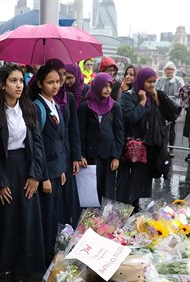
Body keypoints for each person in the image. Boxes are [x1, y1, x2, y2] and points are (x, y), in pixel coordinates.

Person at [0, 64, 45, 282]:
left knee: (24, 220)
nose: (19, 85)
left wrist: (35, 175)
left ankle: (21, 267)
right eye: (13, 81)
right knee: (4, 220)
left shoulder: (29, 109)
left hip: (25, 169)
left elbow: (38, 144)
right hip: (4, 168)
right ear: (2, 84)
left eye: (21, 81)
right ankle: (1, 268)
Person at [118, 67, 178, 207]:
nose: (152, 85)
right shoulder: (128, 96)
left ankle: (135, 205)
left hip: (148, 146)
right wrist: (142, 102)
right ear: (141, 81)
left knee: (141, 180)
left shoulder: (154, 96)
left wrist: (158, 100)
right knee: (129, 179)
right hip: (132, 145)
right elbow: (130, 118)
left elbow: (170, 115)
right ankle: (125, 207)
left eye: (154, 82)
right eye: (149, 82)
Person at [29, 65, 66, 264]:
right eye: (50, 82)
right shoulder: (37, 106)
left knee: (54, 214)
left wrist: (61, 169)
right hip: (45, 172)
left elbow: (60, 140)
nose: (55, 86)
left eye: (57, 82)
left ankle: (51, 253)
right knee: (46, 216)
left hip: (56, 169)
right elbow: (38, 144)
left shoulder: (55, 105)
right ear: (40, 83)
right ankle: (42, 256)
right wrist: (43, 176)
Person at [44, 58, 82, 228]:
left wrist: (76, 156)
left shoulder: (69, 99)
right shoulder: (40, 103)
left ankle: (65, 231)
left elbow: (74, 129)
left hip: (66, 154)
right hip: (51, 155)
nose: (58, 84)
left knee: (67, 195)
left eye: (62, 78)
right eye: (54, 78)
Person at [78, 72, 124, 201]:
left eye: (110, 86)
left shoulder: (115, 106)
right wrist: (81, 155)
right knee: (90, 192)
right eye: (104, 86)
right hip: (90, 157)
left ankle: (105, 220)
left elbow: (119, 133)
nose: (108, 89)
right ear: (97, 86)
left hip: (108, 157)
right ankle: (89, 220)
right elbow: (80, 133)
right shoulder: (85, 106)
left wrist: (116, 156)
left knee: (107, 192)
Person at [156, 61, 185, 156]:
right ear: (164, 70)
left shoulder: (178, 81)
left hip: (173, 108)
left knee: (172, 129)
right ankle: (162, 147)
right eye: (167, 69)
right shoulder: (160, 80)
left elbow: (181, 94)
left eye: (171, 69)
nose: (169, 71)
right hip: (162, 107)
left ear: (174, 70)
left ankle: (171, 148)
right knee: (161, 128)